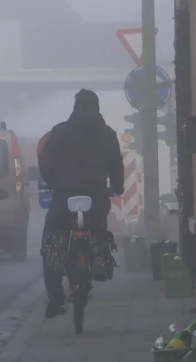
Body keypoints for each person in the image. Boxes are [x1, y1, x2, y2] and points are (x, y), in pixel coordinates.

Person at [38, 89, 125, 319]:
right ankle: (99, 260)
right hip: (96, 196)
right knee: (97, 229)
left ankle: (56, 296)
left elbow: (46, 162)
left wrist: (54, 182)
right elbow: (116, 165)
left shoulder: (60, 132)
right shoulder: (108, 134)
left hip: (65, 196)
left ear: (75, 108)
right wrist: (118, 187)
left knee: (52, 238)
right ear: (97, 108)